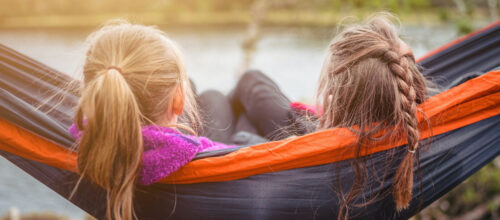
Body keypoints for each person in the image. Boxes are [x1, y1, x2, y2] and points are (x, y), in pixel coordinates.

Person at [218, 14, 431, 219]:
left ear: (335, 101)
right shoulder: (423, 128)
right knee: (251, 80)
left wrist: (250, 135)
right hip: (322, 137)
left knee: (217, 99)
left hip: (277, 159)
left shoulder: (318, 169)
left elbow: (242, 141)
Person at [69, 21, 236, 220]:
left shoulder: (83, 142)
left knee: (207, 93)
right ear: (179, 100)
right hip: (226, 160)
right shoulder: (208, 157)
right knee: (224, 93)